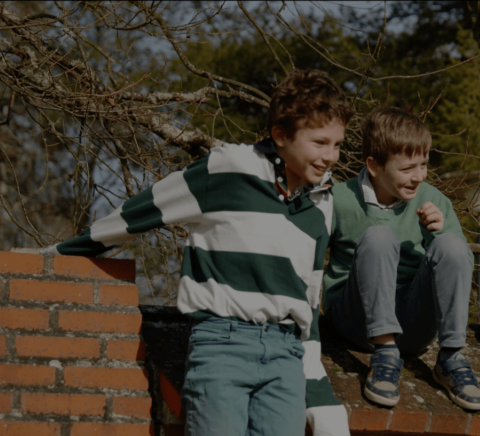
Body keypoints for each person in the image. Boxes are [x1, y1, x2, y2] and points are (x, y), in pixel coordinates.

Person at [41, 69, 351, 436]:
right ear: (281, 135)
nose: (331, 156)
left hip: (286, 354)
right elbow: (143, 211)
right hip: (223, 343)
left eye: (337, 144)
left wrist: (318, 390)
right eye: (320, 143)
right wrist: (57, 254)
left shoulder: (323, 202)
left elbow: (308, 299)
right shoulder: (230, 168)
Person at [322, 107, 480, 411]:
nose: (419, 176)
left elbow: (458, 266)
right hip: (356, 320)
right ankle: (384, 354)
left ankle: (451, 357)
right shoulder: (338, 199)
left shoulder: (434, 200)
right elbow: (307, 256)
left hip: (413, 325)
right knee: (379, 237)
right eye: (408, 168)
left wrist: (437, 233)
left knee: (452, 243)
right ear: (374, 166)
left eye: (424, 164)